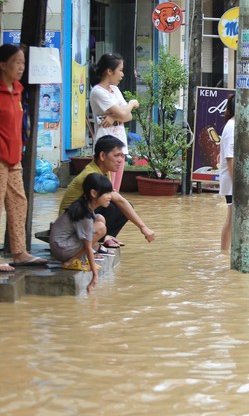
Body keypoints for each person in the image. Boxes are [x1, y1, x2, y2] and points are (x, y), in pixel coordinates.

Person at [0, 44, 49, 271]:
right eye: (16, 63)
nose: (21, 67)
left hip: (14, 159)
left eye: (23, 63)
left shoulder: (19, 90)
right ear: (2, 65)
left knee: (19, 203)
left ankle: (19, 252)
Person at [59, 135, 155, 247]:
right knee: (119, 205)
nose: (120, 160)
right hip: (70, 222)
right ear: (102, 156)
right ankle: (101, 238)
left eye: (122, 156)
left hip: (81, 216)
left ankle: (105, 238)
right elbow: (119, 200)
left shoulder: (104, 171)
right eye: (116, 156)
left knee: (117, 205)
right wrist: (143, 228)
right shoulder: (92, 174)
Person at [50, 174, 112, 292]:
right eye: (107, 193)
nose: (110, 196)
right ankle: (71, 261)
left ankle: (77, 258)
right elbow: (87, 246)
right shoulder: (85, 215)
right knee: (101, 228)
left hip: (63, 244)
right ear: (94, 193)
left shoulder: (85, 205)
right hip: (62, 248)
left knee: (100, 218)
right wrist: (95, 275)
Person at [88, 53, 139, 192]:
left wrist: (114, 118)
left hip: (120, 143)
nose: (122, 74)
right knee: (106, 190)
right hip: (106, 146)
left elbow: (128, 117)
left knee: (115, 189)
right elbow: (124, 112)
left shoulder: (115, 90)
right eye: (120, 70)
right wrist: (132, 103)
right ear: (109, 71)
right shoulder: (98, 92)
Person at [219, 94, 235, 252]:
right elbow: (230, 158)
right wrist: (238, 184)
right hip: (232, 182)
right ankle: (224, 253)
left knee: (233, 219)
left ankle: (226, 252)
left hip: (234, 180)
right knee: (231, 219)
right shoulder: (231, 127)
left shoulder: (235, 125)